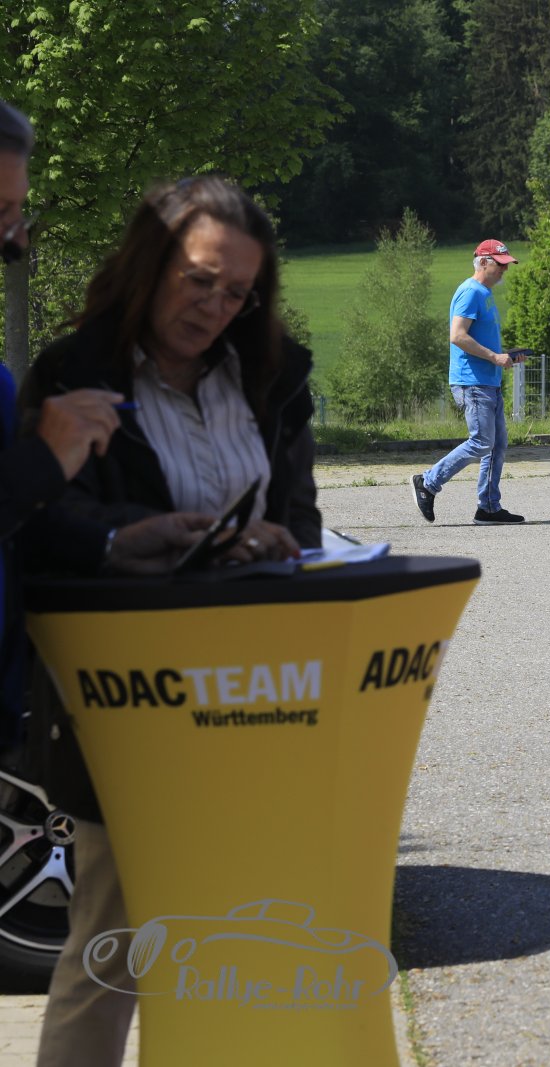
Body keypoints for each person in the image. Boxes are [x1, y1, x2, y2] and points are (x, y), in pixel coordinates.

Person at [21, 172, 321, 1067]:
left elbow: (302, 520)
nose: (216, 308)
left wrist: (272, 541)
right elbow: (35, 525)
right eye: (200, 280)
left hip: (258, 694)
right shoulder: (73, 373)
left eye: (238, 293)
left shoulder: (273, 374)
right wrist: (128, 538)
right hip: (128, 700)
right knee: (111, 947)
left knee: (234, 947)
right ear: (150, 265)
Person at [411, 239, 524, 525]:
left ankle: (488, 508)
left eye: (506, 265)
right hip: (472, 382)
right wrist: (494, 357)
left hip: (487, 381)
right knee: (482, 442)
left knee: (496, 445)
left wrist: (505, 356)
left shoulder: (484, 293)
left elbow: (478, 339)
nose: (504, 270)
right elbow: (458, 336)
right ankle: (427, 482)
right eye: (500, 264)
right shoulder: (470, 292)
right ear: (483, 262)